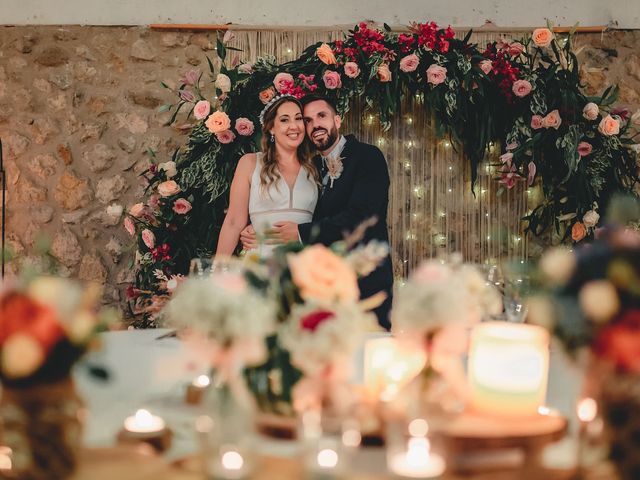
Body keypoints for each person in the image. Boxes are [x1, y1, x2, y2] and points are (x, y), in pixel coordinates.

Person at [241, 94, 394, 329]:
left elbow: (362, 216)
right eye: (308, 120)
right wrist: (259, 229)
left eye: (321, 116)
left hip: (365, 282)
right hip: (321, 289)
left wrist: (301, 232)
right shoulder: (311, 168)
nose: (315, 125)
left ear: (338, 120)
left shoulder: (367, 156)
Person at [215, 95, 319, 258]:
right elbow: (234, 221)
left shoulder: (315, 167)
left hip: (305, 266)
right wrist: (217, 269)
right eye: (284, 120)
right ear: (271, 127)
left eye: (298, 119)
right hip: (260, 263)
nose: (294, 126)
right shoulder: (250, 163)